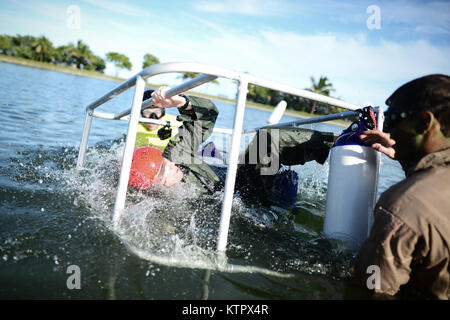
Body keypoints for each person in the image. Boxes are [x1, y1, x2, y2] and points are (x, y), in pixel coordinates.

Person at [129, 86, 335, 209]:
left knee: (267, 136)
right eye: (162, 170)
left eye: (166, 162)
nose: (172, 167)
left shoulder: (173, 157)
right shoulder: (161, 202)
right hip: (245, 197)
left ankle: (337, 140)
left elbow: (205, 118)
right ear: (154, 183)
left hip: (240, 178)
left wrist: (182, 103)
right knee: (269, 138)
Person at [351, 74, 450, 299]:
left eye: (394, 118)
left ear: (425, 122)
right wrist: (408, 154)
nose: (389, 131)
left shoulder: (402, 206)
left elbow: (372, 290)